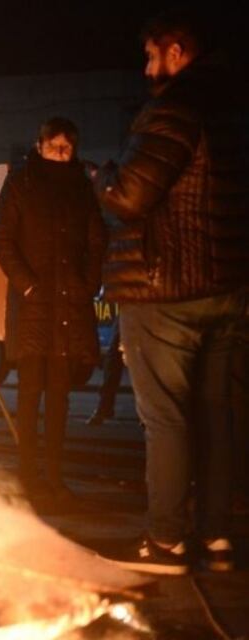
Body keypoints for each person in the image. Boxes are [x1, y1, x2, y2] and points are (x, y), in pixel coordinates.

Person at [91, 10, 249, 574]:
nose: (146, 66)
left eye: (152, 55)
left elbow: (132, 197)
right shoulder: (233, 110)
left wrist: (102, 176)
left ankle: (166, 542)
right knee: (216, 415)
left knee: (166, 419)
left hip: (167, 290)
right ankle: (216, 537)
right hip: (226, 287)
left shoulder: (174, 108)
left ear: (177, 52)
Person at [0, 117, 106, 502]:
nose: (60, 154)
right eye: (53, 146)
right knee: (29, 392)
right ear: (39, 146)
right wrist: (27, 284)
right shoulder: (20, 182)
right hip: (32, 306)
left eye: (66, 148)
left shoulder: (80, 188)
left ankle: (55, 478)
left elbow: (97, 237)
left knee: (60, 395)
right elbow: (1, 239)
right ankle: (28, 476)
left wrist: (87, 284)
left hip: (68, 307)